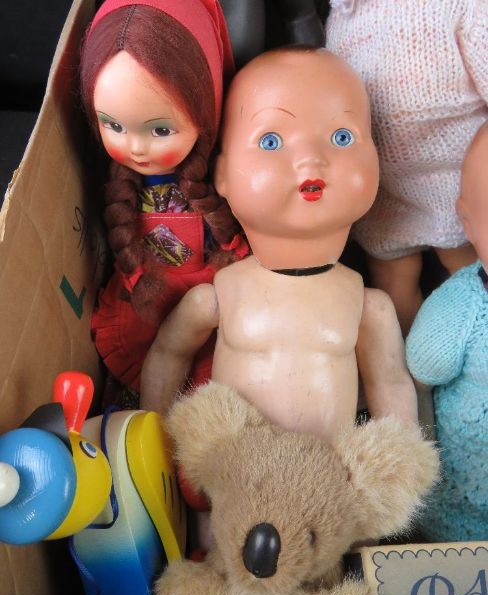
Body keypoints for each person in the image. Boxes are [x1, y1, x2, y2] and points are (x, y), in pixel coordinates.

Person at [141, 47, 418, 441]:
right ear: (223, 174)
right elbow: (169, 354)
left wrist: (401, 466)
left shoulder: (367, 306)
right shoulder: (221, 295)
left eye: (342, 137)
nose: (311, 160)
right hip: (232, 470)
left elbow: (389, 384)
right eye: (271, 141)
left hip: (326, 473)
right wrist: (154, 447)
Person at [80, 0, 245, 403]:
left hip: (211, 292)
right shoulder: (120, 184)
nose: (135, 148)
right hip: (146, 299)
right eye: (113, 125)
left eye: (160, 130)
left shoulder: (222, 171)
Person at [326, 0, 487, 334]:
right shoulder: (346, 12)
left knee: (469, 280)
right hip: (381, 183)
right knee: (392, 288)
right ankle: (409, 361)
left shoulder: (463, 7)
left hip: (456, 176)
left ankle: (472, 352)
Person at [406, 122, 488, 542]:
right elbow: (419, 382)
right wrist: (425, 462)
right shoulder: (460, 310)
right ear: (468, 224)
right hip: (463, 514)